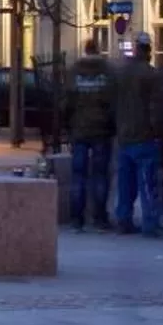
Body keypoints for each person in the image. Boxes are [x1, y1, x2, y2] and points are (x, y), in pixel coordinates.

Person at [111, 35, 163, 237]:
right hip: (144, 137)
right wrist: (158, 133)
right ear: (149, 50)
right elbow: (156, 108)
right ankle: (150, 223)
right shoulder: (152, 75)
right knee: (147, 182)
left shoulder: (120, 74)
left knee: (125, 184)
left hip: (124, 136)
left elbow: (114, 104)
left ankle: (123, 220)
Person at [63, 38, 117, 231]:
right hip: (102, 130)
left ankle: (77, 218)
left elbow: (66, 102)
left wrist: (67, 126)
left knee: (78, 175)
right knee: (100, 175)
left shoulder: (74, 71)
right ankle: (100, 218)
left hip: (79, 130)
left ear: (85, 50)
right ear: (98, 50)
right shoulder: (109, 72)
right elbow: (114, 102)